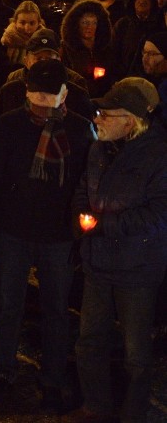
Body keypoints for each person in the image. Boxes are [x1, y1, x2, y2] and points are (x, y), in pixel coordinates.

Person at [0, 59, 94, 412]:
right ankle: (3, 368)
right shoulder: (10, 125)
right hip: (14, 230)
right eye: (38, 93)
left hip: (58, 234)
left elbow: (86, 182)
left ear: (64, 94)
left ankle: (53, 379)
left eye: (51, 94)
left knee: (56, 310)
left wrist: (78, 231)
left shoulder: (79, 130)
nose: (43, 102)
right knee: (9, 303)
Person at [71, 78, 167, 423]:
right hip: (98, 263)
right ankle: (95, 406)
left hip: (137, 269)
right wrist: (81, 214)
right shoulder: (100, 147)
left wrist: (103, 225)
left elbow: (159, 212)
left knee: (135, 353)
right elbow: (84, 187)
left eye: (105, 114)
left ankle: (133, 414)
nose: (97, 119)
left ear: (131, 119)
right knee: (90, 342)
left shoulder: (158, 156)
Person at [0, 29, 93, 119]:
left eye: (50, 58)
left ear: (59, 60)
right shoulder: (12, 83)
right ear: (26, 61)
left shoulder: (75, 82)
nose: (45, 63)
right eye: (39, 59)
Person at [60, 0, 116, 98]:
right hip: (77, 98)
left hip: (105, 97)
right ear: (77, 24)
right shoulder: (66, 48)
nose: (89, 27)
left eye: (94, 23)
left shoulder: (106, 47)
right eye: (85, 22)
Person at [113, 0, 164, 78]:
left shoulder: (159, 25)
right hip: (125, 79)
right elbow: (114, 54)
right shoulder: (123, 25)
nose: (142, 0)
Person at [0, 0, 45, 67]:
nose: (27, 27)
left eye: (32, 23)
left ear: (39, 23)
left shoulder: (45, 41)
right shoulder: (7, 40)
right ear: (15, 22)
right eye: (22, 23)